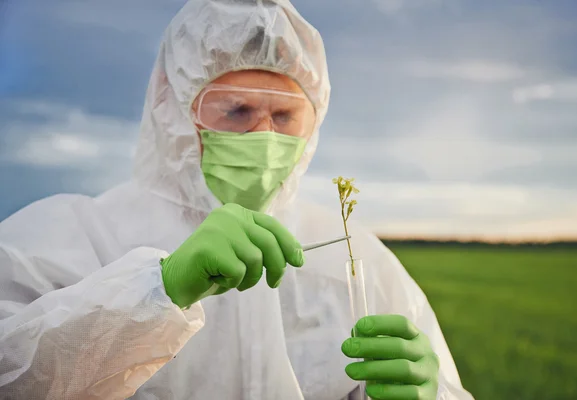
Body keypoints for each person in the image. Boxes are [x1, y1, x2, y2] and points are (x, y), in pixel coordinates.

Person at [0, 0, 474, 399]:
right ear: (175, 111)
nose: (264, 136)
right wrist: (155, 290)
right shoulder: (69, 237)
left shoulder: (358, 261)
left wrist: (434, 395)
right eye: (236, 109)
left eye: (286, 115)